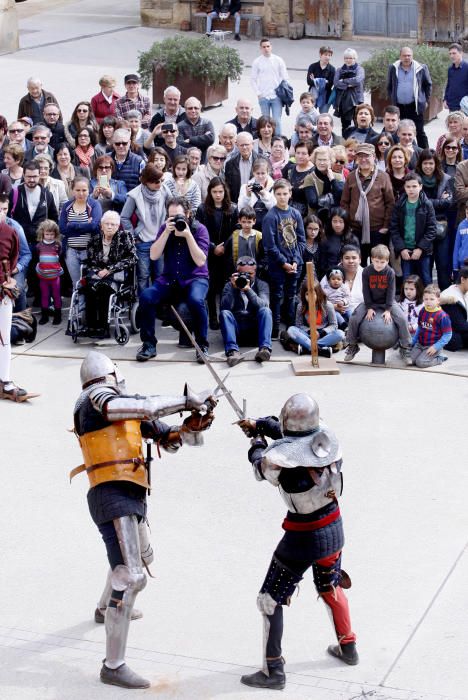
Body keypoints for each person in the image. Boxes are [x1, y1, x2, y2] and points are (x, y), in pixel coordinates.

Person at [72, 350, 216, 688]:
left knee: (139, 558)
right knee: (132, 575)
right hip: (110, 494)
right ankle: (113, 665)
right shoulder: (93, 399)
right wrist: (184, 399)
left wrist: (192, 424)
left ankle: (105, 607)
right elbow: (141, 406)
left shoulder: (127, 409)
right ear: (108, 376)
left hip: (133, 493)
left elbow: (172, 440)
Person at [238, 393, 358, 691]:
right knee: (329, 586)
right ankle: (348, 646)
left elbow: (261, 466)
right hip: (335, 528)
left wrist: (255, 441)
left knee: (268, 600)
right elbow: (297, 442)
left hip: (303, 537)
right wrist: (259, 425)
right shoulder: (327, 444)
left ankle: (273, 672)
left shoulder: (281, 460)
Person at [137, 196, 210, 363]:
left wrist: (187, 235)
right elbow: (154, 255)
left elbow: (200, 261)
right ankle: (148, 344)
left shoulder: (200, 229)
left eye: (179, 216)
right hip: (170, 278)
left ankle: (202, 346)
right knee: (147, 296)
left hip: (195, 278)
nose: (175, 220)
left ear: (189, 214)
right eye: (171, 216)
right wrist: (166, 232)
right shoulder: (165, 228)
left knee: (196, 300)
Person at [344, 244, 412, 364]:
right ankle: (352, 345)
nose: (379, 265)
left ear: (387, 261)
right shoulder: (366, 271)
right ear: (371, 259)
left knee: (401, 318)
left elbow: (391, 292)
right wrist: (369, 308)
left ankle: (405, 347)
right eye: (376, 261)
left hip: (387, 302)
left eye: (382, 262)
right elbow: (365, 290)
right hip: (371, 302)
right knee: (354, 317)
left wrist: (388, 310)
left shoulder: (390, 272)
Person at [262, 178, 305, 338]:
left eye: (285, 193)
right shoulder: (271, 217)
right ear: (274, 195)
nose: (282, 197)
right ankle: (274, 329)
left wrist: (295, 260)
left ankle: (291, 328)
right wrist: (284, 262)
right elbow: (270, 246)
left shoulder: (296, 214)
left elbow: (301, 240)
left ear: (290, 194)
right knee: (277, 295)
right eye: (278, 194)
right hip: (277, 265)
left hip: (294, 263)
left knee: (291, 295)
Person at [84, 211, 137, 336]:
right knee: (89, 290)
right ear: (101, 225)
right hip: (98, 274)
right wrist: (98, 271)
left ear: (118, 226)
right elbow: (90, 261)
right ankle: (91, 326)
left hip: (116, 274)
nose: (109, 227)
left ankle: (103, 327)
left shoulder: (125, 237)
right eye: (107, 224)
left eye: (113, 224)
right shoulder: (94, 240)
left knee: (104, 291)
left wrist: (110, 269)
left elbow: (132, 258)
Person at [340, 142, 395, 264]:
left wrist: (385, 226)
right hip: (356, 230)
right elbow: (344, 203)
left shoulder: (383, 177)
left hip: (378, 230)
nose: (363, 159)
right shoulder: (351, 177)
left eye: (367, 156)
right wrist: (349, 226)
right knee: (358, 264)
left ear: (374, 157)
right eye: (360, 156)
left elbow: (390, 203)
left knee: (379, 264)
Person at [120, 163, 171, 293]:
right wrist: (133, 236)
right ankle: (144, 306)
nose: (159, 184)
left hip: (160, 240)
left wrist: (168, 228)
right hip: (142, 242)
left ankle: (159, 306)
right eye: (155, 181)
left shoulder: (165, 190)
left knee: (159, 275)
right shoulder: (135, 194)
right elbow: (124, 217)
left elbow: (172, 210)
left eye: (161, 180)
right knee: (143, 276)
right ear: (146, 181)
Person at [196, 177, 238, 329]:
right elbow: (200, 231)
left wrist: (224, 247)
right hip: (209, 251)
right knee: (212, 286)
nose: (218, 195)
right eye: (214, 192)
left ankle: (225, 314)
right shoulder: (202, 209)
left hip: (226, 252)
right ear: (210, 192)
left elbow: (235, 231)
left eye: (220, 191)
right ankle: (213, 316)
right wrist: (213, 247)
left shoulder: (233, 208)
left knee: (226, 285)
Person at [0, 215, 32, 401]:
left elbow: (13, 259)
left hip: (3, 290)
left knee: (4, 338)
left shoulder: (10, 231)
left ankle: (5, 381)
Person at [219, 255, 272, 365]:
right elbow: (224, 307)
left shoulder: (262, 285)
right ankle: (233, 352)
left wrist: (248, 290)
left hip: (255, 331)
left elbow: (264, 305)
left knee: (266, 311)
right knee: (224, 313)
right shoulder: (229, 286)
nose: (246, 277)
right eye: (242, 274)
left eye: (250, 274)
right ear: (236, 273)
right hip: (237, 331)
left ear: (255, 272)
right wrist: (234, 289)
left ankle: (264, 349)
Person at [415, 149, 455, 291]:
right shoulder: (415, 179)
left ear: (436, 164)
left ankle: (444, 301)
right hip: (422, 229)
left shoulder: (446, 179)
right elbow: (416, 202)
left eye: (431, 163)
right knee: (424, 269)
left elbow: (448, 203)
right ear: (420, 164)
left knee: (443, 266)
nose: (428, 167)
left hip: (441, 228)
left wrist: (426, 202)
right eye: (425, 163)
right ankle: (426, 301)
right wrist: (438, 201)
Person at [389, 172, 437, 286]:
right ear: (404, 188)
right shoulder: (399, 205)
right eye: (408, 186)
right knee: (407, 280)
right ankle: (407, 303)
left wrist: (420, 248)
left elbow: (432, 229)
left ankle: (429, 302)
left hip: (423, 251)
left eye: (414, 186)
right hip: (406, 250)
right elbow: (394, 228)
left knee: (425, 278)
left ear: (420, 186)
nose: (411, 189)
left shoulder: (426, 204)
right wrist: (401, 248)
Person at [282, 278, 344, 357]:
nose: (310, 297)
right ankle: (320, 350)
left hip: (323, 335)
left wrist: (322, 333)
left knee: (340, 334)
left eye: (313, 294)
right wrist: (309, 332)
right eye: (307, 294)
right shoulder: (300, 306)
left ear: (318, 293)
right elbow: (299, 325)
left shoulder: (328, 305)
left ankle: (307, 348)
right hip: (308, 335)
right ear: (304, 295)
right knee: (291, 329)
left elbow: (334, 325)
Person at [59, 176, 102, 291]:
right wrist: (85, 225)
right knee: (77, 284)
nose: (81, 193)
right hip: (71, 251)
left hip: (89, 251)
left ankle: (88, 309)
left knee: (90, 283)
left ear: (89, 190)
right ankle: (79, 309)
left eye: (84, 190)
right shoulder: (66, 206)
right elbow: (62, 229)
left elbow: (94, 226)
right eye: (77, 190)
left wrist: (72, 224)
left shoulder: (94, 205)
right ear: (73, 190)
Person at [387, 46, 432, 148]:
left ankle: (425, 154)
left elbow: (428, 84)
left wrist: (425, 100)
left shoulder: (421, 68)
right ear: (400, 56)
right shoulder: (393, 68)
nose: (407, 58)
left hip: (414, 106)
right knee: (398, 131)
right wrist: (393, 98)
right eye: (404, 55)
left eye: (409, 55)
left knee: (419, 131)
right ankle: (398, 152)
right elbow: (389, 86)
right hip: (399, 106)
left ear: (412, 56)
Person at [0, 194, 31, 312]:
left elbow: (26, 254)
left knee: (19, 288)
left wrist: (16, 268)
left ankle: (20, 319)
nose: (2, 213)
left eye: (4, 209)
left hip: (14, 267)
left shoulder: (15, 227)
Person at [251, 38, 289, 135]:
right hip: (263, 96)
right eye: (264, 47)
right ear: (260, 48)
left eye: (268, 46)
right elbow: (253, 79)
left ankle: (279, 141)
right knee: (265, 122)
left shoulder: (278, 60)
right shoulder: (257, 62)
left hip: (276, 96)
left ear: (271, 47)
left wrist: (283, 92)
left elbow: (285, 77)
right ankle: (266, 141)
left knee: (276, 121)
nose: (266, 49)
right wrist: (258, 93)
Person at [410, 284, 452, 367]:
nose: (428, 301)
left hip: (433, 346)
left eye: (432, 299)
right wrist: (413, 341)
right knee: (411, 360)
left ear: (438, 300)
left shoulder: (443, 316)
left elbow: (448, 335)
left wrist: (436, 347)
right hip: (420, 344)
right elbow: (420, 327)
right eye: (426, 299)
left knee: (420, 363)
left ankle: (440, 357)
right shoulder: (422, 311)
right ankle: (422, 354)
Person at [222, 205, 265, 277]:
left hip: (254, 273)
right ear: (239, 221)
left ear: (254, 221)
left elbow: (264, 256)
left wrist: (260, 268)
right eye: (244, 222)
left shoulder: (260, 237)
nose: (246, 225)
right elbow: (227, 255)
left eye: (249, 222)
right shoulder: (234, 236)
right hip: (237, 272)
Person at [303, 146, 344, 218]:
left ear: (331, 161)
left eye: (325, 160)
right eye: (319, 159)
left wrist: (332, 180)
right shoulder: (309, 178)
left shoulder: (338, 177)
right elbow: (313, 203)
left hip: (334, 219)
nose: (321, 163)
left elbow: (341, 196)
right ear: (315, 161)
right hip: (315, 220)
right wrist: (334, 199)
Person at [35, 219, 63, 325]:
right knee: (45, 295)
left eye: (52, 234)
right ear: (42, 233)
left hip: (55, 277)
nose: (49, 236)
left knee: (56, 295)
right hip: (43, 277)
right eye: (47, 234)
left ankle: (58, 316)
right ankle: (44, 316)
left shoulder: (57, 245)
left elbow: (60, 255)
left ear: (55, 234)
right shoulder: (39, 246)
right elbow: (38, 257)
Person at [237, 156, 275, 231]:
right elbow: (241, 209)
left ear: (268, 172)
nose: (260, 176)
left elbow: (275, 208)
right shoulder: (245, 187)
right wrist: (247, 195)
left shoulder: (274, 187)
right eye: (258, 173)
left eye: (263, 173)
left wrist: (264, 194)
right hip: (251, 227)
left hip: (269, 226)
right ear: (253, 173)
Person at [319, 206, 359, 274]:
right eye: (335, 221)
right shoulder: (325, 239)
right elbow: (322, 264)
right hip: (331, 275)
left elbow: (357, 260)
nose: (337, 225)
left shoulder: (353, 240)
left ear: (345, 223)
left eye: (341, 222)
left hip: (349, 274)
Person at [333, 48, 365, 134]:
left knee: (358, 124)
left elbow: (358, 80)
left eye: (351, 58)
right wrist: (350, 85)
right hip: (343, 100)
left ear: (355, 58)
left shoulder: (360, 69)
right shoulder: (339, 70)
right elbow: (336, 83)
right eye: (346, 58)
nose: (348, 60)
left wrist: (343, 81)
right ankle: (345, 142)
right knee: (345, 125)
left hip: (357, 100)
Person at [281, 141, 314, 217]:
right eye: (298, 153)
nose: (300, 156)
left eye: (304, 154)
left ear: (310, 155)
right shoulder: (290, 168)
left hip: (306, 213)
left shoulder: (313, 172)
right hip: (287, 208)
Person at [177, 97, 215, 163]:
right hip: (187, 163)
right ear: (185, 110)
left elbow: (211, 139)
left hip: (204, 162)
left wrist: (190, 140)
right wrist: (203, 143)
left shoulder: (207, 123)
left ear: (200, 109)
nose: (193, 110)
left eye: (196, 108)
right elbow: (180, 144)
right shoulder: (179, 126)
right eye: (190, 108)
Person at [440, 265, 468, 351]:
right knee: (456, 340)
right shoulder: (451, 297)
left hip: (460, 328)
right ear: (463, 280)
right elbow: (460, 326)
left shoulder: (464, 291)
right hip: (450, 331)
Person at [225, 131, 257, 204]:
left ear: (252, 144)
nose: (244, 147)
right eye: (242, 145)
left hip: (256, 203)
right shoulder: (230, 164)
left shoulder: (262, 161)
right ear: (237, 145)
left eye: (247, 144)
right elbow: (228, 187)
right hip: (237, 203)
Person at [110, 128, 145, 193]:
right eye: (117, 143)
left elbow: (144, 185)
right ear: (113, 144)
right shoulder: (105, 160)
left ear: (129, 143)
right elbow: (101, 181)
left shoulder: (139, 162)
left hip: (131, 201)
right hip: (109, 200)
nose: (121, 146)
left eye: (124, 143)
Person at [307, 45, 335, 113]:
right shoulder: (313, 66)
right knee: (310, 114)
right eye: (325, 55)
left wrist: (315, 80)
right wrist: (324, 81)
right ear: (320, 54)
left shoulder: (332, 69)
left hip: (326, 96)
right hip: (313, 94)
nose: (327, 57)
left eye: (329, 55)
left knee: (323, 116)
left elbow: (329, 85)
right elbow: (309, 82)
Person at [398, 274, 424, 339]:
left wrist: (413, 327)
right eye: (406, 289)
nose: (408, 292)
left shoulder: (423, 305)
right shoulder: (400, 303)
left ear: (418, 289)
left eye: (411, 289)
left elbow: (423, 321)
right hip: (403, 331)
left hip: (418, 331)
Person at [444, 43, 468, 112]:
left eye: (454, 53)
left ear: (461, 53)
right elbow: (449, 85)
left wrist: (465, 106)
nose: (451, 56)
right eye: (450, 54)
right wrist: (445, 99)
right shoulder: (450, 69)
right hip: (451, 107)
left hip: (464, 108)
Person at [453, 203, 468, 274]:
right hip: (463, 264)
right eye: (467, 213)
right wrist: (455, 265)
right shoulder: (461, 225)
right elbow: (457, 246)